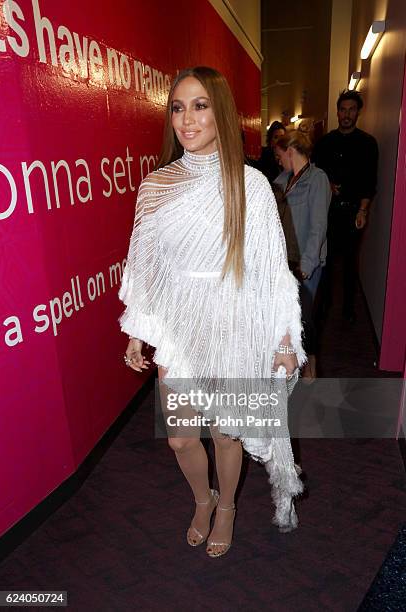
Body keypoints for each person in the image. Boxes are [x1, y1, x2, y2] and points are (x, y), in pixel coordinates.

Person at [118, 67, 305, 558]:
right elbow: (144, 265)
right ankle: (204, 499)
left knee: (226, 433)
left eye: (200, 105)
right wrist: (138, 329)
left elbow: (272, 272)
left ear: (220, 111)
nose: (187, 118)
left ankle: (227, 509)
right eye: (178, 107)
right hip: (180, 330)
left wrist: (284, 341)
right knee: (181, 439)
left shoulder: (252, 185)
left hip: (233, 328)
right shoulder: (156, 187)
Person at [312, 90, 378, 321]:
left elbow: (370, 181)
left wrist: (363, 210)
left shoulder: (368, 144)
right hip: (327, 211)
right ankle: (325, 305)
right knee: (326, 260)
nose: (347, 114)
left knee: (350, 263)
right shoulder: (324, 143)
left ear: (358, 112)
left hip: (353, 212)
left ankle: (348, 310)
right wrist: (326, 184)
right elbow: (314, 175)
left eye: (351, 109)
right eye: (343, 109)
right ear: (337, 112)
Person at [274, 131, 331, 381]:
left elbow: (318, 227)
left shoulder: (317, 179)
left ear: (290, 150)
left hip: (306, 263)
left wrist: (306, 266)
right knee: (287, 318)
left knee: (303, 317)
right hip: (285, 261)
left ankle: (310, 366)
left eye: (279, 155)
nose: (278, 160)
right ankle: (292, 364)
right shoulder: (282, 179)